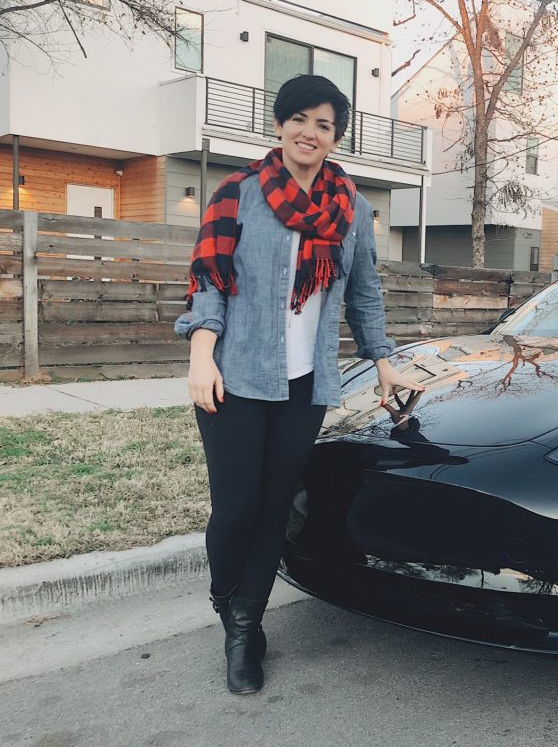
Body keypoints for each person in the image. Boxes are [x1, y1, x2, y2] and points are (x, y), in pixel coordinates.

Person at [175, 74, 424, 695]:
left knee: (273, 507)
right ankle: (225, 596)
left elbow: (363, 294)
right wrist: (201, 355)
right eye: (301, 119)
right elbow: (209, 279)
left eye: (325, 125)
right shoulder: (238, 193)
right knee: (235, 509)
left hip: (304, 382)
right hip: (235, 375)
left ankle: (243, 627)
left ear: (336, 137)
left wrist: (384, 359)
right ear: (280, 124)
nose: (310, 133)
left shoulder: (353, 210)